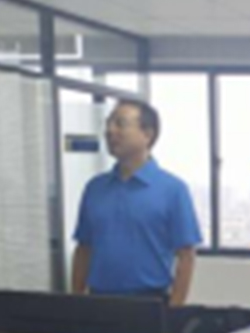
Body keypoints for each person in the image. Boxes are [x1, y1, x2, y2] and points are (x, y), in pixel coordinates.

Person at [71, 99, 201, 306]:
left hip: (149, 302)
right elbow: (84, 249)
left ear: (147, 134)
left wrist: (174, 310)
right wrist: (76, 301)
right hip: (98, 301)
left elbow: (186, 256)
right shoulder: (95, 188)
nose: (110, 131)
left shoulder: (173, 189)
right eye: (108, 124)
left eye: (120, 124)